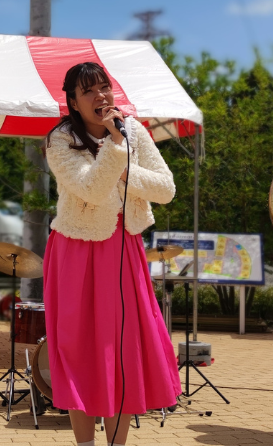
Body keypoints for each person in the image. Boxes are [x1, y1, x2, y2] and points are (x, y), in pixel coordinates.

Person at [43, 62, 180, 446]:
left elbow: (166, 188)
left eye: (105, 87)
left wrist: (121, 163)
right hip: (77, 249)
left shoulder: (133, 130)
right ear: (72, 100)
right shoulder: (60, 139)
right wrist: (116, 149)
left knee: (122, 349)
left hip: (124, 248)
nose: (101, 96)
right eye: (88, 91)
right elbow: (89, 189)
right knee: (80, 350)